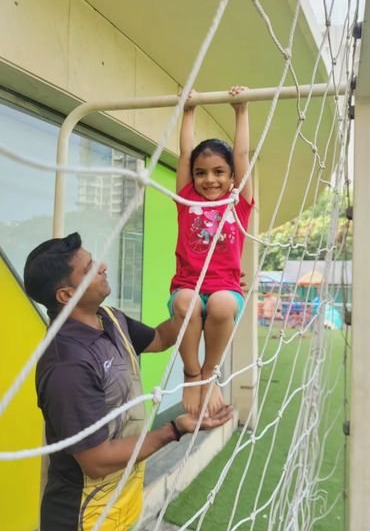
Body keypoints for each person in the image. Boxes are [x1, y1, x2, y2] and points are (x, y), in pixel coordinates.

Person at [23, 232, 233, 531]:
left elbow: (160, 338)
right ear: (66, 295)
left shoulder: (108, 317)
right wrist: (174, 429)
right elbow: (97, 461)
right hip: (84, 519)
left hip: (122, 506)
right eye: (89, 268)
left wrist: (202, 303)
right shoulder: (67, 364)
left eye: (94, 259)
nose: (103, 265)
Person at [169, 86, 254, 418]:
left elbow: (243, 157)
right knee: (186, 303)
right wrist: (188, 111)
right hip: (188, 286)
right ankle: (192, 373)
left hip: (227, 289)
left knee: (220, 304)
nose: (209, 179)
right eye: (201, 173)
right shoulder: (186, 199)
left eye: (219, 172)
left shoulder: (239, 203)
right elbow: (185, 153)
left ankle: (210, 372)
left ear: (232, 177)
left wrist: (241, 110)